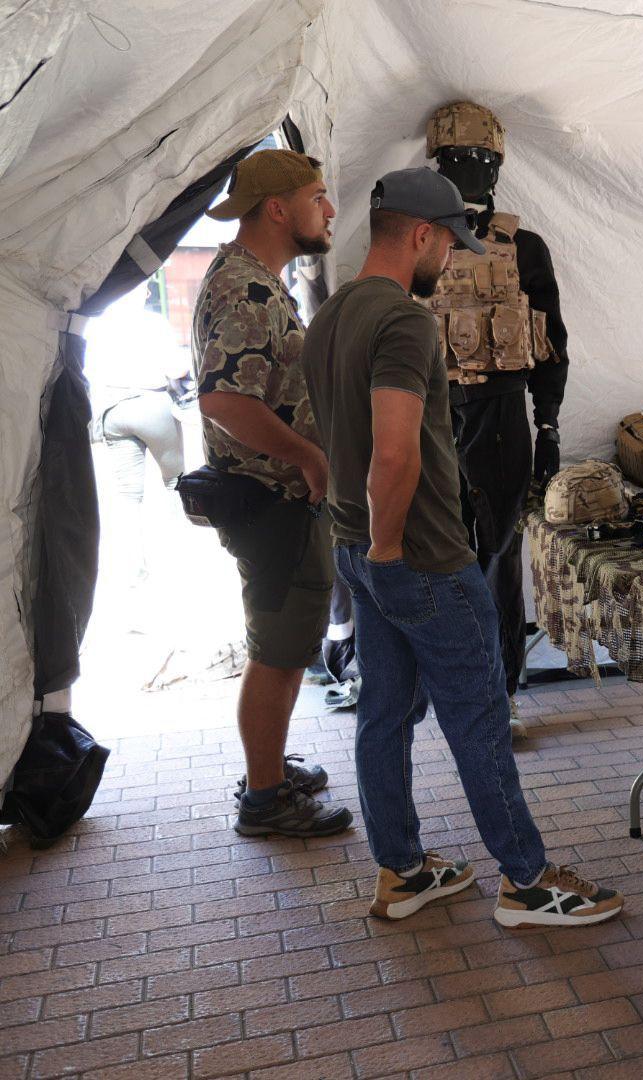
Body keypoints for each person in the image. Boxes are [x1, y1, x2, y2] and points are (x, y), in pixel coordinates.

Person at [301, 167, 623, 927]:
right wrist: (388, 549)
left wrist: (368, 552)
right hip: (419, 557)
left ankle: (404, 872)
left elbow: (331, 437)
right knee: (478, 722)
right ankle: (527, 882)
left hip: (359, 550)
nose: (451, 260)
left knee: (384, 717)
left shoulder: (333, 313)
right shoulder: (405, 323)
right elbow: (394, 453)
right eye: (448, 244)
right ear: (421, 235)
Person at [190, 148, 352, 838]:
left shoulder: (254, 279)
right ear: (279, 209)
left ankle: (269, 769)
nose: (331, 210)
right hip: (271, 499)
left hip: (276, 498)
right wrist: (308, 457)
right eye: (319, 197)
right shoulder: (248, 289)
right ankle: (264, 799)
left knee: (286, 644)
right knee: (279, 649)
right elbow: (224, 399)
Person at [423, 102, 572, 735]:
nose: (471, 172)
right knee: (437, 552)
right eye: (458, 161)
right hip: (432, 414)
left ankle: (501, 689)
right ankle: (454, 684)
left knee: (499, 554)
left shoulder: (523, 246)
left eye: (482, 161)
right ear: (437, 166)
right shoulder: (415, 242)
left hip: (504, 413)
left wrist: (550, 424)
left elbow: (551, 341)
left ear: (499, 166)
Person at [85, 283, 190, 590]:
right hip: (152, 406)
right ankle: (178, 558)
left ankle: (134, 569)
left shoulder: (98, 327)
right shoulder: (153, 324)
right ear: (144, 293)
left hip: (114, 411)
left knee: (128, 497)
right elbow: (177, 369)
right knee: (175, 483)